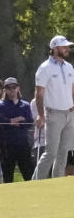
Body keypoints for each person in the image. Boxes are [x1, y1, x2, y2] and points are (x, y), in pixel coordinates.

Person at [33, 35, 74, 180]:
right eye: (64, 47)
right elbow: (39, 93)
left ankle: (58, 183)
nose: (68, 49)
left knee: (64, 152)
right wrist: (41, 115)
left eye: (68, 46)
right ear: (55, 49)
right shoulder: (45, 68)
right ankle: (35, 182)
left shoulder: (69, 67)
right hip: (54, 114)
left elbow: (72, 89)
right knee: (51, 152)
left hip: (69, 114)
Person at [0, 77, 35, 182]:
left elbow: (29, 123)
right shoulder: (0, 106)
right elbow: (0, 124)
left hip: (23, 145)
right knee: (8, 177)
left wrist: (15, 122)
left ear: (18, 88)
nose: (11, 90)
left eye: (14, 87)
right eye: (8, 87)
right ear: (5, 90)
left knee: (28, 175)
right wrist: (15, 120)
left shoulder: (25, 105)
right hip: (7, 146)